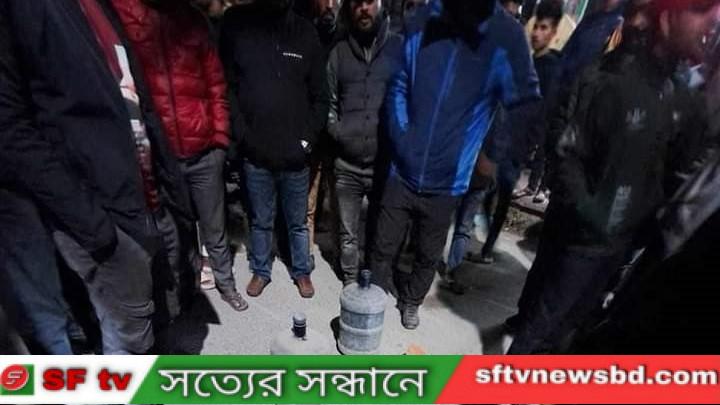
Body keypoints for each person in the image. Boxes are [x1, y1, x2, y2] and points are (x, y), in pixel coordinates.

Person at [507, 0, 718, 354]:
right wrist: (590, 215)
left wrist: (635, 227)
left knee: (564, 334)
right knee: (539, 328)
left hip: (616, 249)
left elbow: (668, 177)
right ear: (666, 19)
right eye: (700, 9)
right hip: (584, 240)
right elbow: (566, 145)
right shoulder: (613, 76)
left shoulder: (681, 98)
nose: (712, 21)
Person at [0, 0, 193, 354]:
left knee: (160, 318)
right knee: (129, 339)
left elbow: (136, 98)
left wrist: (171, 192)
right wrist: (93, 224)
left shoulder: (101, 6)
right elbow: (10, 130)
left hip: (147, 200)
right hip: (101, 214)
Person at [370, 0, 540, 330]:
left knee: (428, 253)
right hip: (401, 171)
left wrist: (489, 157)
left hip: (447, 182)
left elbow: (519, 109)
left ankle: (411, 302)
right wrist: (402, 139)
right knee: (383, 244)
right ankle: (374, 297)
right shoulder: (422, 24)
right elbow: (399, 84)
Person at [110, 0, 248, 312]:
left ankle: (226, 284)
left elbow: (216, 84)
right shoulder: (130, 17)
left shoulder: (193, 21)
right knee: (179, 233)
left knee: (214, 227)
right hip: (164, 155)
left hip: (204, 150)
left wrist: (219, 139)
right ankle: (187, 291)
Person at [221, 0, 329, 299]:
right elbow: (230, 89)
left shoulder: (305, 33)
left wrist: (305, 143)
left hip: (295, 158)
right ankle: (260, 270)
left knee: (297, 223)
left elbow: (321, 98)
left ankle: (301, 270)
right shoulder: (243, 30)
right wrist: (244, 137)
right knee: (260, 220)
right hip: (256, 155)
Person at [327, 0, 403, 284]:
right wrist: (339, 132)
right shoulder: (339, 52)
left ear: (380, 5)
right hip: (347, 165)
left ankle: (371, 281)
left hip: (384, 166)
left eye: (369, 2)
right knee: (348, 234)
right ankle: (349, 281)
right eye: (357, 3)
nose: (363, 8)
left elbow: (410, 98)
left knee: (379, 231)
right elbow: (329, 102)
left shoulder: (398, 49)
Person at [513, 0, 564, 204]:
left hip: (534, 128)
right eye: (536, 27)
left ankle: (536, 186)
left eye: (543, 28)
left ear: (553, 33)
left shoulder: (551, 67)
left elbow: (545, 104)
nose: (536, 33)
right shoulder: (533, 61)